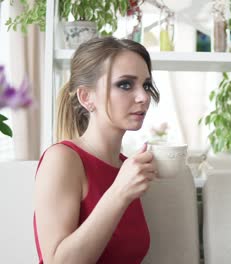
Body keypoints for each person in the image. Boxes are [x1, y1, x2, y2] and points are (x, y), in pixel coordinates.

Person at [34, 37, 160, 263]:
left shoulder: (126, 167)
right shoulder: (62, 159)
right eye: (125, 84)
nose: (143, 97)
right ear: (86, 97)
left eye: (146, 85)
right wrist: (119, 193)